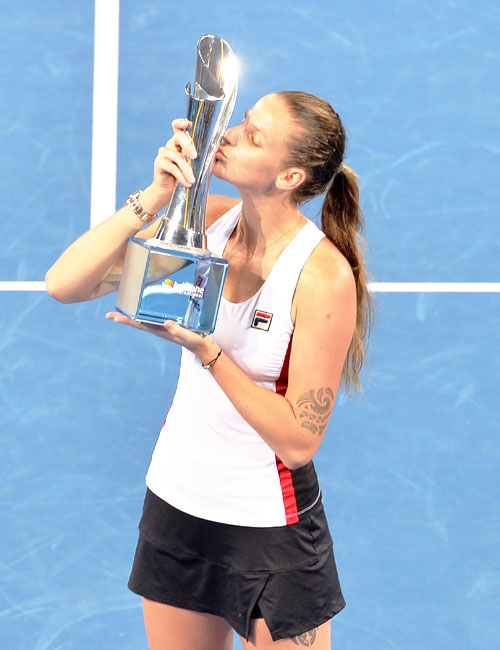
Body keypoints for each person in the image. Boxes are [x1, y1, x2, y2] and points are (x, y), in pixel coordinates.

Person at [46, 90, 372, 650]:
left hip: (270, 529)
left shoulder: (321, 277)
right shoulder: (207, 226)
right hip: (178, 503)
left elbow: (298, 441)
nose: (229, 135)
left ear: (290, 176)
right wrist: (156, 195)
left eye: (253, 136)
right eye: (242, 122)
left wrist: (207, 352)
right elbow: (65, 284)